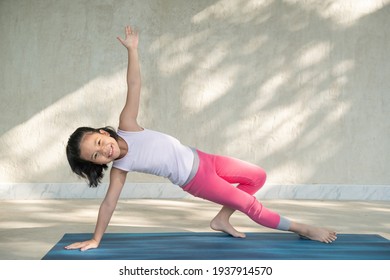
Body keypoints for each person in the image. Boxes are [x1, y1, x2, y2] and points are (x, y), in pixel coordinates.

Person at [65, 25, 337, 251]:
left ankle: (221, 219)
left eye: (99, 144)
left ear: (103, 133)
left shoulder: (127, 125)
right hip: (197, 180)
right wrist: (96, 238)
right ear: (98, 164)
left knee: (257, 177)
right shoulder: (120, 170)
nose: (104, 152)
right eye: (96, 156)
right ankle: (303, 228)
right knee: (248, 204)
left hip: (204, 158)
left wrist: (133, 51)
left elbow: (134, 84)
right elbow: (109, 203)